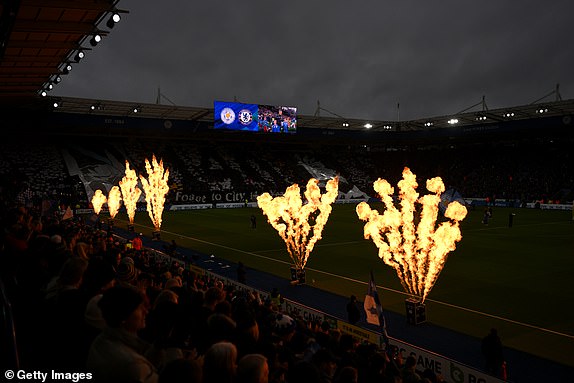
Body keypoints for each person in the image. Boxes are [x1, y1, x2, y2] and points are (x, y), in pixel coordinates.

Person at [87, 285, 158, 383]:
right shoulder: (133, 365)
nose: (145, 311)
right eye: (139, 308)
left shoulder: (100, 340)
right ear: (124, 316)